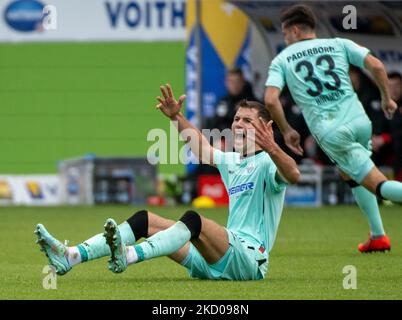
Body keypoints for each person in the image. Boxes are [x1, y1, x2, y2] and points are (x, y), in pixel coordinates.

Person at [35, 84, 300, 280]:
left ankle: (128, 255)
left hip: (249, 260)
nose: (238, 124)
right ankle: (72, 255)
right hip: (215, 259)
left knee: (194, 220)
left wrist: (274, 149)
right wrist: (176, 118)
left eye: (247, 120)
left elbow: (293, 175)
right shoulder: (233, 160)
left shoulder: (268, 162)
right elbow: (202, 151)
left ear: (266, 128)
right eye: (236, 118)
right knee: (144, 220)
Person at [264, 4, 402, 253]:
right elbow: (377, 66)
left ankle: (379, 233)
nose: (286, 41)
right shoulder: (339, 43)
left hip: (332, 131)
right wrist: (386, 98)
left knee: (378, 185)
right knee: (349, 173)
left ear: (294, 30)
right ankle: (378, 235)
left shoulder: (282, 59)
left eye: (285, 35)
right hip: (360, 122)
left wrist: (286, 130)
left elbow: (271, 99)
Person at [388, 72, 402, 181]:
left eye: (397, 86)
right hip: (385, 156)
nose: (394, 90)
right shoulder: (381, 105)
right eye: (390, 86)